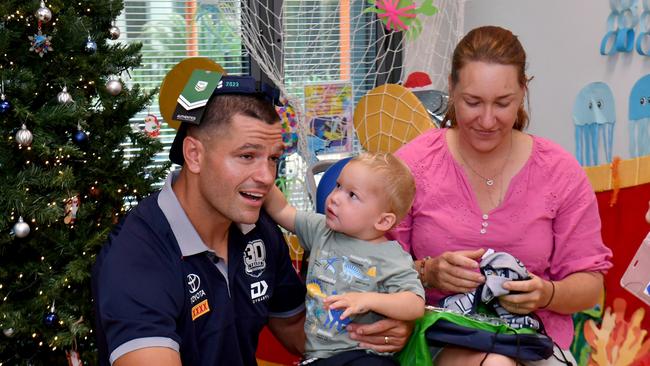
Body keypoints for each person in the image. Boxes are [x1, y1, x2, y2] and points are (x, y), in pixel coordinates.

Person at [92, 73, 411, 366]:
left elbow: (299, 330)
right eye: (247, 156)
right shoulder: (137, 257)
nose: (266, 176)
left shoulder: (259, 230)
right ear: (194, 155)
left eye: (273, 159)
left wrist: (372, 333)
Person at [387, 25, 613, 366]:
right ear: (451, 89)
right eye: (473, 102)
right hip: (434, 337)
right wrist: (426, 272)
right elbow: (369, 266)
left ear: (523, 92)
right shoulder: (413, 165)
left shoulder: (559, 172)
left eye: (502, 103)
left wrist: (547, 294)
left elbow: (588, 285)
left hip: (535, 341)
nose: (487, 120)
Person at [264, 152, 425, 365]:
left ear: (383, 221)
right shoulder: (321, 229)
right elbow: (282, 210)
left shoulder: (391, 256)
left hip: (361, 354)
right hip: (317, 356)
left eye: (352, 195)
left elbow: (414, 304)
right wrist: (263, 174)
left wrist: (367, 299)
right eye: (338, 186)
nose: (335, 197)